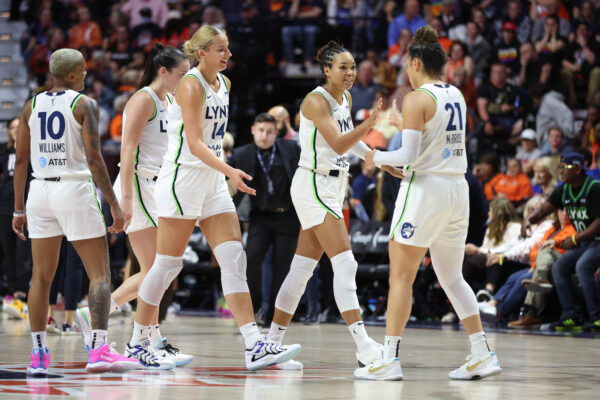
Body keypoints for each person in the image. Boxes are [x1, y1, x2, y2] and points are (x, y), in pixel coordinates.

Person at [123, 26, 301, 371]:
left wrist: (223, 173)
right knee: (167, 264)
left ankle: (254, 344)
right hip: (183, 178)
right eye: (221, 49)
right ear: (201, 52)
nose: (228, 55)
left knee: (234, 259)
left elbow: (212, 141)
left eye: (229, 48)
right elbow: (194, 143)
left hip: (212, 180)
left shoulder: (226, 84)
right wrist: (230, 170)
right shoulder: (190, 84)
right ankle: (136, 342)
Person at [354, 26, 501, 381]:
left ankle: (388, 359)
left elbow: (408, 154)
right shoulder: (457, 95)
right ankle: (481, 352)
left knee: (400, 276)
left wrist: (374, 155)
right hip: (457, 188)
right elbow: (436, 139)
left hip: (426, 189)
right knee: (452, 276)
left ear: (416, 63)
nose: (406, 71)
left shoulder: (416, 97)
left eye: (408, 65)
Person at [265, 41, 401, 370]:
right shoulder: (314, 100)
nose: (350, 72)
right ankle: (364, 346)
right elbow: (339, 141)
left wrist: (378, 159)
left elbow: (348, 145)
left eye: (353, 66)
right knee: (346, 264)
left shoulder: (347, 98)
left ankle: (270, 344)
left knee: (301, 270)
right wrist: (372, 123)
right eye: (343, 67)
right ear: (326, 70)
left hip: (333, 183)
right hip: (312, 182)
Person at [12, 48, 138, 375]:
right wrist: (113, 202)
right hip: (74, 187)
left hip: (39, 190)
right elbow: (95, 160)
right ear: (70, 75)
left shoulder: (30, 106)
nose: (86, 75)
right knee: (99, 273)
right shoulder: (84, 104)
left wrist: (17, 209)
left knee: (40, 276)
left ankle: (38, 355)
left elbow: (21, 162)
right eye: (82, 70)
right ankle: (99, 349)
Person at [75, 43, 193, 367]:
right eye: (182, 73)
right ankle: (139, 340)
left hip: (161, 187)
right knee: (158, 268)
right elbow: (127, 152)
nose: (186, 79)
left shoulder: (170, 100)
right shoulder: (143, 99)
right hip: (139, 185)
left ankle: (145, 334)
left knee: (161, 269)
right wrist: (124, 197)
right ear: (164, 71)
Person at [227, 113, 301, 338]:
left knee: (283, 268)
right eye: (261, 131)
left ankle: (274, 317)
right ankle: (256, 309)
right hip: (260, 216)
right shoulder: (241, 154)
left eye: (269, 132)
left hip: (288, 216)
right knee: (251, 261)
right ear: (252, 130)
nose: (265, 136)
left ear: (276, 133)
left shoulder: (290, 149)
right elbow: (230, 187)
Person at [523, 152, 600, 332]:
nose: (561, 171)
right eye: (560, 167)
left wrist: (574, 238)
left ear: (579, 169)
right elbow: (544, 209)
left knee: (583, 266)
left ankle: (596, 316)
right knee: (559, 267)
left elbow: (598, 223)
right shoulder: (563, 188)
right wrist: (528, 220)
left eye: (565, 168)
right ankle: (572, 315)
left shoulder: (594, 188)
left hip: (596, 240)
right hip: (587, 242)